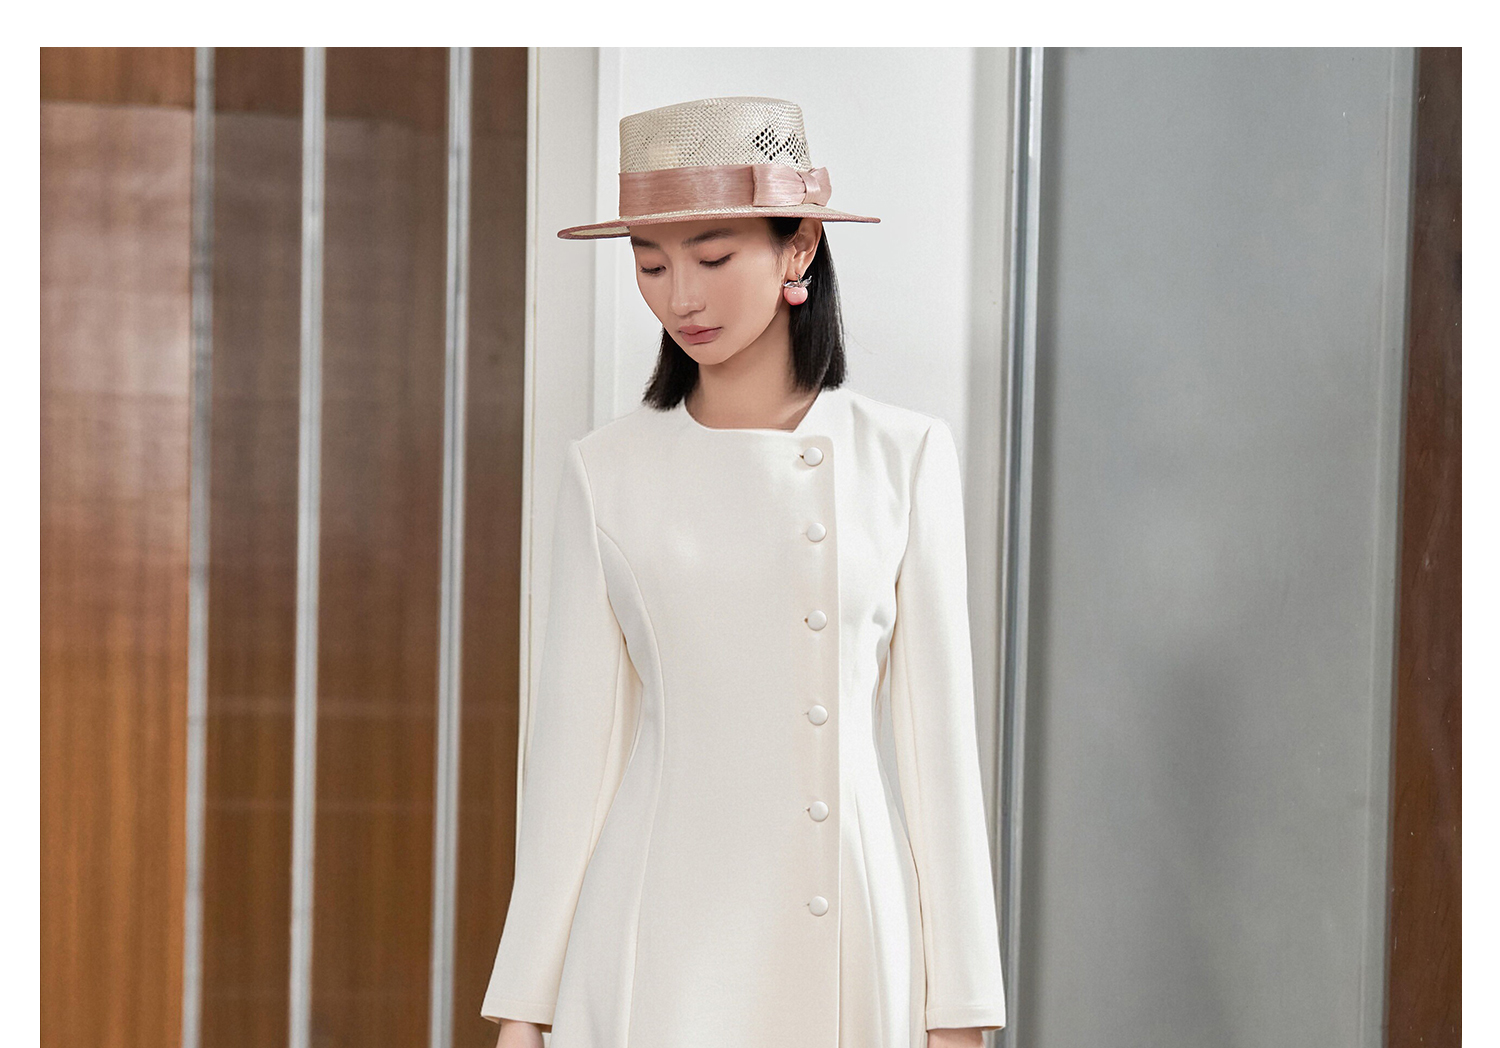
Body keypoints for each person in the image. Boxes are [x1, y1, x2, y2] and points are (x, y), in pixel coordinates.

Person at [482, 96, 1007, 1048]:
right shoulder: (606, 472)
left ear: (798, 247)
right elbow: (571, 761)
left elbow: (940, 757)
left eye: (714, 257)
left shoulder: (905, 457)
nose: (680, 296)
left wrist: (961, 1009)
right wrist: (525, 1005)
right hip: (655, 935)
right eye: (650, 263)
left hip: (846, 931)